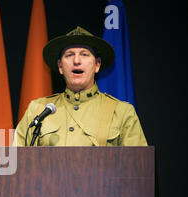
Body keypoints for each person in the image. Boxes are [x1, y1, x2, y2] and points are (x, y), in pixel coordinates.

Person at [15, 26, 147, 147]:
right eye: (69, 55)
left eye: (84, 54)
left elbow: (139, 168)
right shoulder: (38, 110)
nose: (77, 61)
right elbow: (12, 164)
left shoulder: (122, 112)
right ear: (60, 66)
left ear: (97, 65)